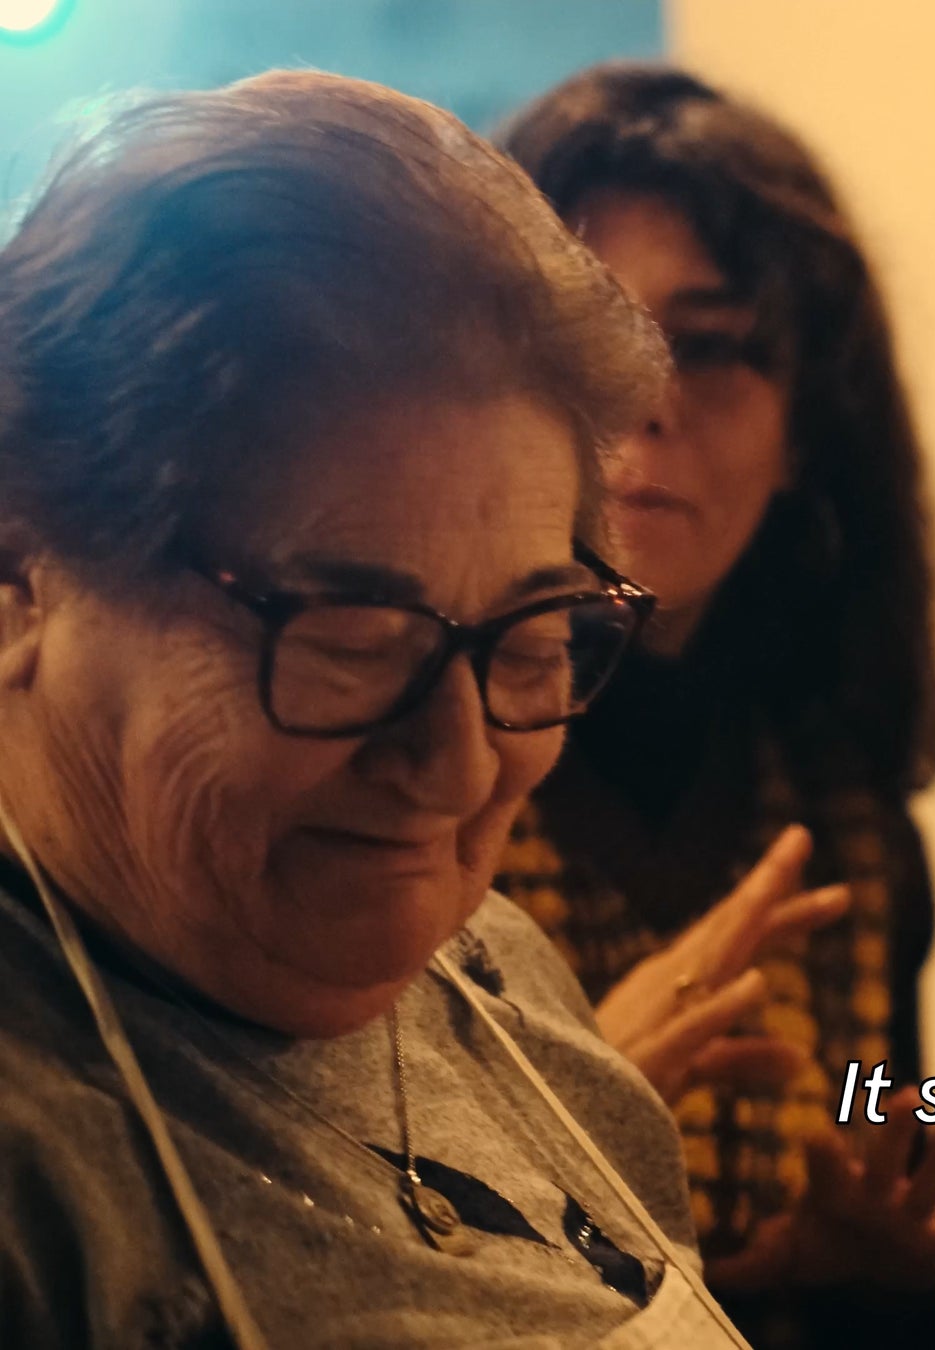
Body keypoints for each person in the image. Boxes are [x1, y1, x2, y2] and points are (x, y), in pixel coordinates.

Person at [0, 71, 777, 1346]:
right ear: (23, 579)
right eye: (352, 640)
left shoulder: (502, 980)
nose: (461, 765)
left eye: (530, 639)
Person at [491, 64, 935, 1350]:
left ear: (807, 435)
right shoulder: (419, 765)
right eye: (591, 336)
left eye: (713, 347)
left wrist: (842, 1284)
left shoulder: (851, 833)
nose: (649, 400)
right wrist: (573, 1105)